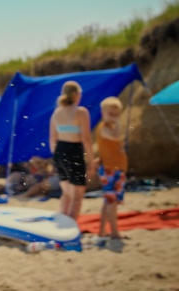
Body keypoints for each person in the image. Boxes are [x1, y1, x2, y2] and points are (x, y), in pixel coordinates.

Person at [49, 81, 94, 220]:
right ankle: (72, 231)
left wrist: (56, 158)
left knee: (67, 193)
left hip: (59, 151)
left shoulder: (57, 112)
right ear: (75, 95)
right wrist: (91, 161)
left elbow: (52, 138)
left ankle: (62, 226)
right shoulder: (81, 112)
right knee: (77, 196)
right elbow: (86, 138)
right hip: (74, 151)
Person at [95, 97, 128, 239]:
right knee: (111, 202)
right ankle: (114, 231)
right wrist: (118, 122)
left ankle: (102, 230)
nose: (114, 117)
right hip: (110, 169)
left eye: (116, 114)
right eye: (111, 114)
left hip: (116, 168)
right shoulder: (103, 128)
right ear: (103, 112)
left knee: (109, 201)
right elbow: (115, 137)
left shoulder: (109, 128)